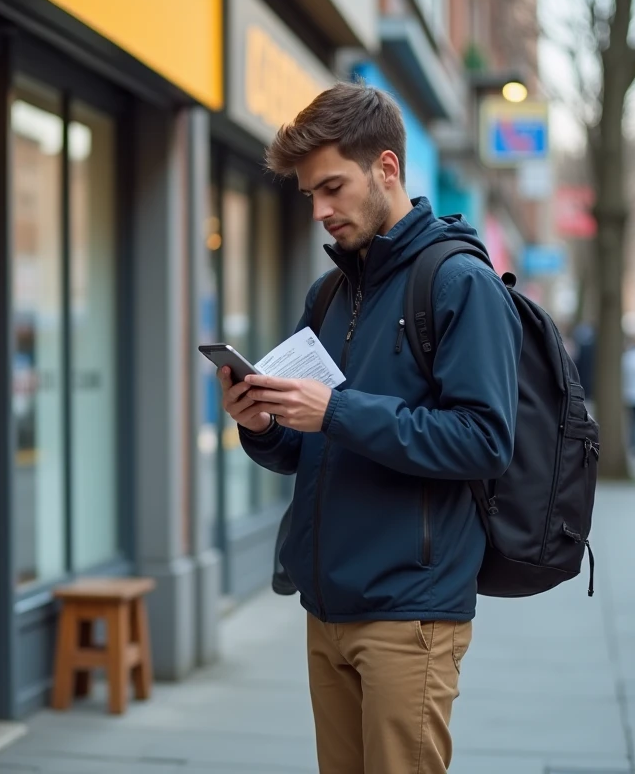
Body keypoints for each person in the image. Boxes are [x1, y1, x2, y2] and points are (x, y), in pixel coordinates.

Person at [217, 81, 522, 774]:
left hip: (408, 613)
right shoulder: (330, 292)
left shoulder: (458, 282)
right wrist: (263, 424)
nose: (321, 211)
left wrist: (337, 410)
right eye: (310, 196)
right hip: (327, 605)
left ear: (386, 169)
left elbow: (484, 441)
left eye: (332, 188)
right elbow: (310, 447)